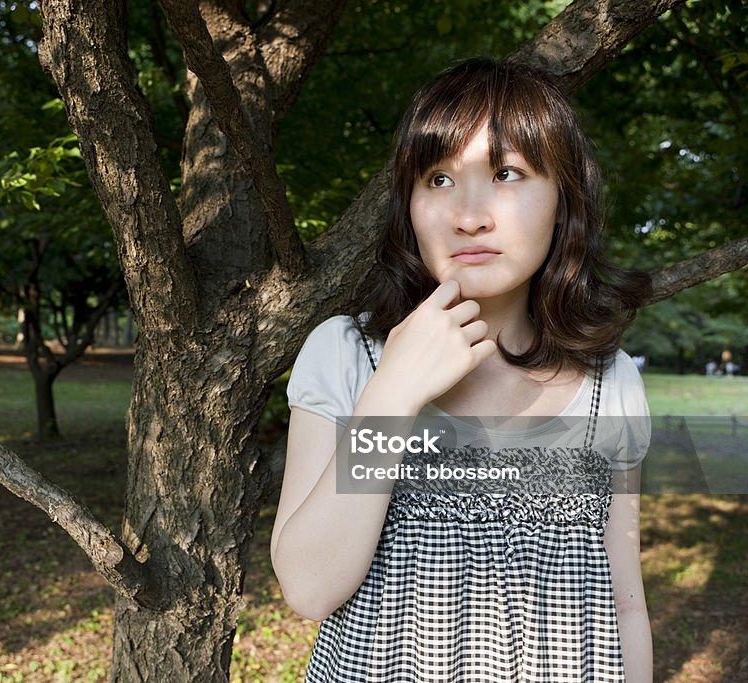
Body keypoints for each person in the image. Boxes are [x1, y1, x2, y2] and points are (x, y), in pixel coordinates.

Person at [271, 58, 653, 682]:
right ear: (409, 206)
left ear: (564, 201)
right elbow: (309, 590)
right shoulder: (345, 354)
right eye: (439, 178)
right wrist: (393, 392)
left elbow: (626, 607)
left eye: (507, 173)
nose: (469, 214)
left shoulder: (611, 386)